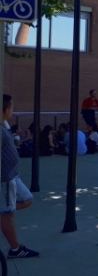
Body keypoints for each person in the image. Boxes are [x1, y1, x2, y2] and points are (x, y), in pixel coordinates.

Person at [1, 95, 39, 259]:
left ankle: (3, 211)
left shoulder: (3, 124)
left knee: (27, 199)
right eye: (11, 108)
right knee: (7, 214)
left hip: (13, 176)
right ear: (6, 110)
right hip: (5, 179)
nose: (12, 110)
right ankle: (15, 248)